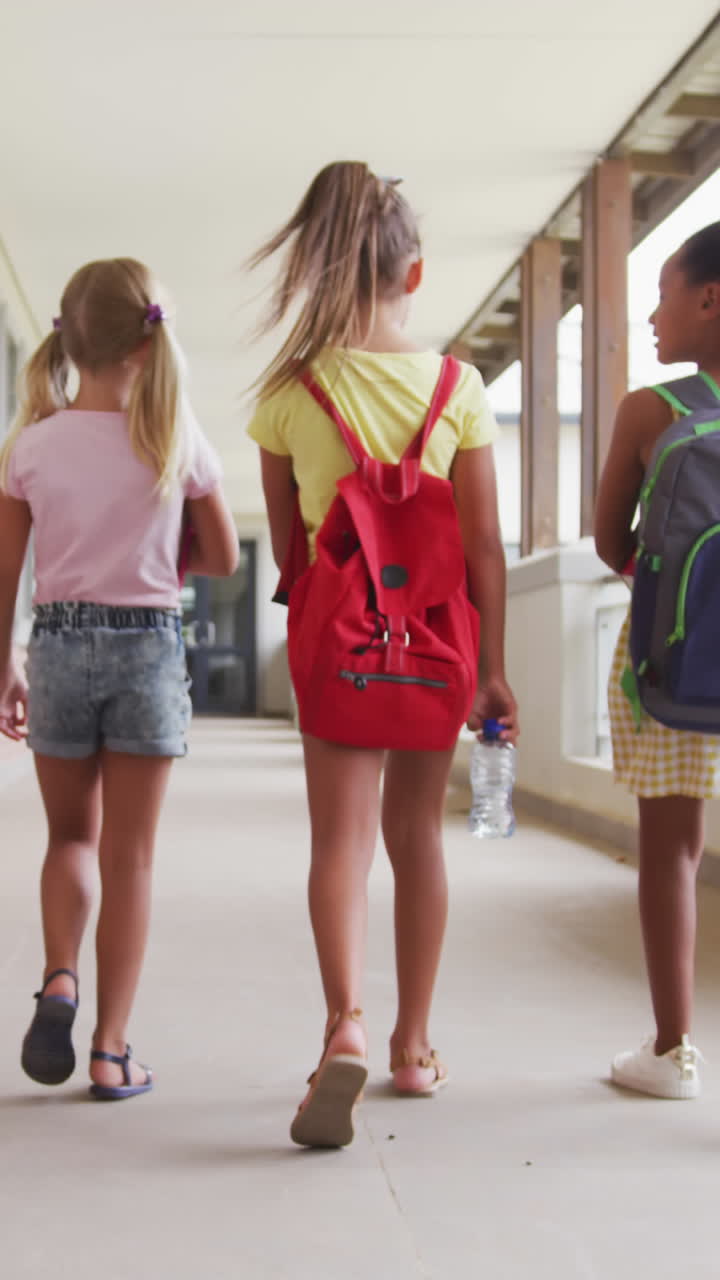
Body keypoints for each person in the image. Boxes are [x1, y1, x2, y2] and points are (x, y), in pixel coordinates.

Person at [247, 161, 518, 1146]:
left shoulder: (290, 392)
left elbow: (289, 545)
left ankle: (344, 1023)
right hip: (438, 643)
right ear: (414, 275)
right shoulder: (460, 387)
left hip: (339, 645)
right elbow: (484, 547)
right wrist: (492, 669)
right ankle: (412, 1044)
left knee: (341, 843)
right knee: (418, 838)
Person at [0, 258, 238, 1100]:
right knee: (130, 857)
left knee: (71, 838)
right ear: (148, 339)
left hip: (58, 644)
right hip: (148, 646)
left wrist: (4, 665)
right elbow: (223, 556)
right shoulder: (173, 434)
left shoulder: (31, 444)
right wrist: (159, 558)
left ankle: (59, 977)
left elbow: (8, 574)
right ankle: (110, 1051)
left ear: (68, 339)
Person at [594, 222, 720, 1099]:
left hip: (673, 666)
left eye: (664, 293)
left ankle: (673, 1053)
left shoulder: (653, 411)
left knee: (672, 851)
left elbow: (611, 544)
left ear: (710, 299)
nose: (651, 315)